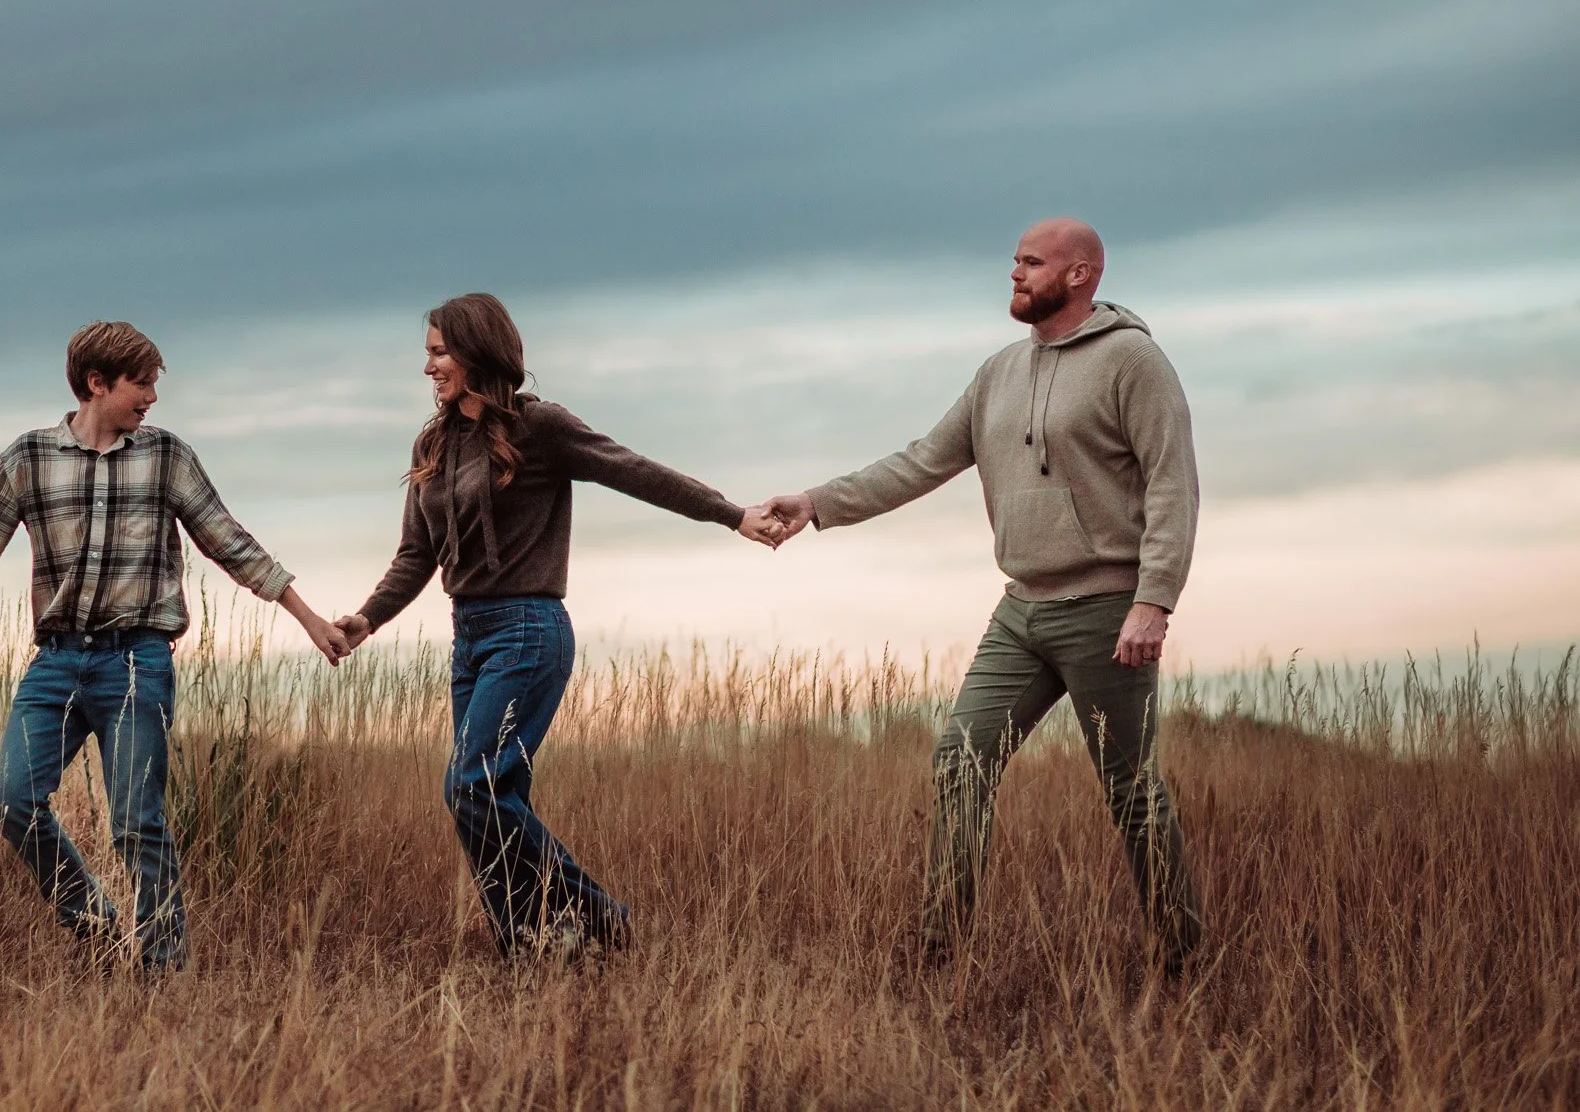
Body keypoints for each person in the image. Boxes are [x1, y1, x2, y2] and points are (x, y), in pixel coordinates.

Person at [753, 218, 1205, 971]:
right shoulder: (999, 371)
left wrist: (1153, 599)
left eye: (1032, 263)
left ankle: (1182, 952)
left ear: (1081, 274)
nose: (1015, 274)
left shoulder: (1133, 361)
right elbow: (921, 460)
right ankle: (940, 946)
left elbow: (1173, 482)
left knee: (1131, 789)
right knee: (961, 757)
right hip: (1022, 608)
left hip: (1104, 609)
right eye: (1014, 262)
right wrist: (818, 502)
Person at [0, 321, 349, 972]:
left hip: (134, 661)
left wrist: (308, 616)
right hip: (56, 664)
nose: (151, 397)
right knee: (12, 800)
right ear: (97, 382)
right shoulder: (28, 458)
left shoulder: (166, 456)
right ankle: (95, 927)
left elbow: (229, 540)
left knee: (134, 823)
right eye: (141, 383)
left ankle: (162, 967)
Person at [331, 293, 771, 959]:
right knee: (494, 794)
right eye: (427, 353)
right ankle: (531, 945)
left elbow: (637, 471)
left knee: (471, 784)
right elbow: (416, 555)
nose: (428, 367)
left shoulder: (540, 427)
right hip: (470, 635)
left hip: (527, 632)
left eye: (439, 352)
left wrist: (730, 513)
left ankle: (603, 918)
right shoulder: (435, 441)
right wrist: (366, 617)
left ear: (478, 349)